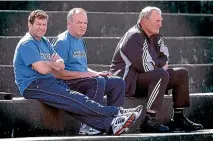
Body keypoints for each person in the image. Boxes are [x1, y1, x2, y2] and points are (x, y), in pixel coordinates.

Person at [13, 9, 143, 136]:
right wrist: (53, 64)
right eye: (38, 24)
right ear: (29, 25)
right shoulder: (27, 43)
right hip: (33, 85)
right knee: (75, 99)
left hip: (47, 81)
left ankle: (111, 124)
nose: (42, 27)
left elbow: (60, 63)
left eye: (44, 24)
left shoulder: (45, 41)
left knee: (75, 103)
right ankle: (117, 112)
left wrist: (49, 64)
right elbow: (44, 69)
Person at [110, 6, 203, 133]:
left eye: (161, 21)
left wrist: (158, 63)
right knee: (160, 74)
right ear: (144, 21)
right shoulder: (134, 36)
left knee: (181, 73)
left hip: (145, 79)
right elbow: (146, 67)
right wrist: (160, 65)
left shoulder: (156, 35)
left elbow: (165, 57)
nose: (160, 24)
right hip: (127, 83)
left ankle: (179, 118)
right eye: (157, 21)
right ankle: (149, 119)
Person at [51, 8, 126, 135]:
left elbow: (82, 67)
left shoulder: (80, 41)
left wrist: (94, 72)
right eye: (79, 22)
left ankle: (114, 122)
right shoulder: (62, 42)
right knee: (97, 82)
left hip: (81, 79)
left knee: (117, 83)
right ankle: (88, 125)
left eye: (85, 23)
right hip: (67, 82)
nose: (83, 26)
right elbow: (56, 73)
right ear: (69, 23)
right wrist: (87, 75)